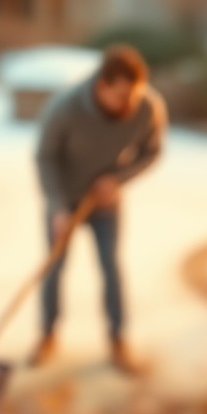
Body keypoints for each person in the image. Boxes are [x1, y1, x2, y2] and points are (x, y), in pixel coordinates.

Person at [31, 44, 167, 374]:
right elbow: (45, 157)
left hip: (105, 200)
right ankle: (47, 334)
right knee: (54, 266)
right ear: (101, 86)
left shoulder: (147, 107)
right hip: (64, 197)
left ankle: (118, 338)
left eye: (134, 95)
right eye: (122, 97)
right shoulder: (65, 108)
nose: (129, 104)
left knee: (110, 266)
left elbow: (152, 152)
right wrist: (58, 206)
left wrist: (118, 179)